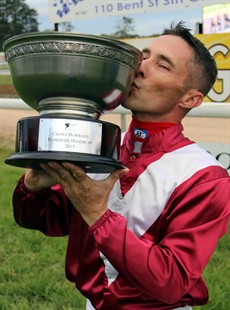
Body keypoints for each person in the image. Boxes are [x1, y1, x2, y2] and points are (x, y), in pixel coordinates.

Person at [12, 21, 229, 310]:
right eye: (145, 56)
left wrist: (97, 213)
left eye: (163, 66)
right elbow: (46, 221)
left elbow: (171, 282)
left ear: (191, 98)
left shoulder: (205, 177)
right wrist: (32, 188)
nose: (140, 68)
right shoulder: (101, 146)